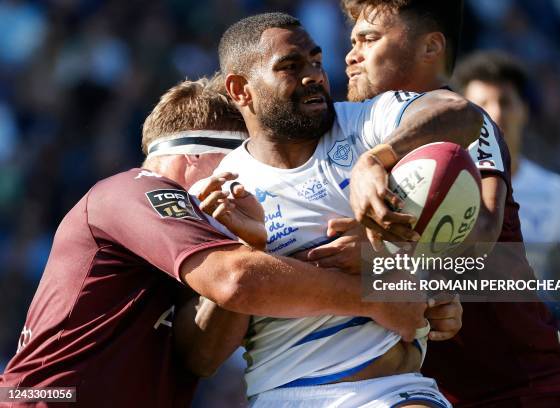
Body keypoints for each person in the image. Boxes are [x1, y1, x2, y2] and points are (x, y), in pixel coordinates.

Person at [0, 77, 424, 408]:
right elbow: (236, 280)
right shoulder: (131, 189)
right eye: (247, 161)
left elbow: (206, 353)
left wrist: (419, 282)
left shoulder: (198, 244)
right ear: (194, 157)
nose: (259, 182)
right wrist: (377, 294)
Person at [204, 11, 485, 408]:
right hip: (287, 395)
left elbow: (463, 115)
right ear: (240, 89)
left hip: (396, 390)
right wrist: (249, 250)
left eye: (317, 62)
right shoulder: (221, 190)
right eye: (290, 66)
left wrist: (375, 160)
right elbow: (203, 354)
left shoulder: (364, 123)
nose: (314, 76)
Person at [341, 1, 560, 406]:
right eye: (353, 41)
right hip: (433, 392)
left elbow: (484, 234)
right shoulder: (353, 135)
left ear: (430, 47)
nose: (352, 54)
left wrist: (376, 257)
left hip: (528, 385)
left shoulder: (470, 122)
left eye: (370, 39)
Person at [453, 51, 560, 248]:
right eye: (482, 105)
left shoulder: (556, 193)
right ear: (463, 115)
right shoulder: (445, 187)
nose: (496, 113)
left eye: (505, 102)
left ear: (524, 110)